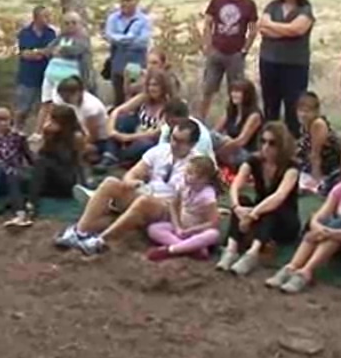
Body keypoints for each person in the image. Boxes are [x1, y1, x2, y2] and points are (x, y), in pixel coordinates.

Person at [55, 119, 201, 255]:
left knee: (144, 202)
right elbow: (132, 174)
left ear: (192, 144)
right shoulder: (161, 151)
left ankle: (99, 240)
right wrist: (132, 182)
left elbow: (189, 201)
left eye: (181, 141)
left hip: (168, 208)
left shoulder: (197, 164)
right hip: (147, 193)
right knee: (110, 183)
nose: (174, 144)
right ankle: (79, 232)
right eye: (173, 138)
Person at [266, 151, 341, 294]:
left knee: (339, 225)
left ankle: (306, 272)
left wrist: (330, 233)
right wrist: (319, 228)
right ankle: (291, 267)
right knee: (325, 225)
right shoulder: (340, 189)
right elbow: (319, 215)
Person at [216, 122, 301, 276]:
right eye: (263, 141)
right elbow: (236, 185)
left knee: (271, 207)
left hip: (284, 219)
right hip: (259, 213)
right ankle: (231, 248)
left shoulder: (291, 167)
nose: (266, 147)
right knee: (243, 200)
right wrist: (236, 207)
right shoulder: (254, 161)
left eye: (272, 143)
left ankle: (253, 253)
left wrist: (253, 214)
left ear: (282, 145)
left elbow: (279, 196)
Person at [5, 104, 86, 228]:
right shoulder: (50, 133)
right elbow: (40, 156)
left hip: (65, 181)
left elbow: (76, 163)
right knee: (13, 173)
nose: (50, 122)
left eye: (53, 120)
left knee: (42, 162)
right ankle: (20, 212)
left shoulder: (76, 137)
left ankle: (31, 207)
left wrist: (83, 186)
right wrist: (45, 136)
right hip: (47, 179)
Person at [258, 0, 315, 138]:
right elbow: (263, 27)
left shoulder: (305, 9)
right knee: (270, 103)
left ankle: (293, 141)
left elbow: (298, 29)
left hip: (294, 64)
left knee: (293, 105)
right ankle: (270, 139)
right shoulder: (272, 6)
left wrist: (275, 28)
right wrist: (286, 30)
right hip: (269, 61)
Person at [199, 0, 258, 121]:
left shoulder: (248, 4)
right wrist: (207, 46)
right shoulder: (217, 1)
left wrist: (245, 49)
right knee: (208, 89)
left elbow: (252, 29)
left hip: (235, 54)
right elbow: (207, 23)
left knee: (237, 92)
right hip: (216, 51)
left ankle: (233, 121)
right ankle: (200, 120)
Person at [146, 156, 222, 262]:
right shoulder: (183, 186)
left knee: (213, 235)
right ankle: (190, 248)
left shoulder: (207, 196)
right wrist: (177, 226)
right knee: (153, 229)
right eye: (186, 172)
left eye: (190, 173)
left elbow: (213, 223)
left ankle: (171, 249)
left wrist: (191, 230)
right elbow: (173, 205)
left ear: (203, 179)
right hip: (182, 228)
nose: (185, 176)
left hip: (197, 232)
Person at [99, 69, 172, 168]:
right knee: (121, 120)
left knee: (146, 144)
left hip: (149, 140)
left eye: (155, 85)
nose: (152, 88)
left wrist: (125, 137)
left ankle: (121, 158)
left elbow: (155, 133)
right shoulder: (144, 97)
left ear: (163, 87)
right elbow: (118, 110)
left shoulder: (169, 105)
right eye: (149, 85)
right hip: (136, 131)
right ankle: (110, 156)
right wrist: (111, 130)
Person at [38, 12, 91, 129]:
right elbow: (48, 50)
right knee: (46, 103)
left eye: (74, 23)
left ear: (80, 24)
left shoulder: (83, 38)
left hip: (67, 79)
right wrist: (53, 50)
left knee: (63, 106)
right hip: (51, 75)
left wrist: (61, 50)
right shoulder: (60, 37)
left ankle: (63, 130)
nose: (70, 26)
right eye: (67, 23)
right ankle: (39, 131)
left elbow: (77, 50)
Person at [104, 0, 152, 106]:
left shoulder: (143, 20)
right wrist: (130, 38)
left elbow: (143, 41)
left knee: (135, 95)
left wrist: (121, 39)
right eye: (123, 0)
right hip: (117, 64)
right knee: (119, 97)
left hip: (136, 64)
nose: (125, 3)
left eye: (129, 0)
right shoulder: (113, 18)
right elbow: (109, 36)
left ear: (136, 1)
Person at [15, 6, 56, 129]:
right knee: (23, 108)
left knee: (44, 107)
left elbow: (51, 50)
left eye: (49, 16)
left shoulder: (51, 33)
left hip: (45, 76)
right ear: (36, 18)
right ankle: (17, 130)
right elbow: (24, 53)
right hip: (27, 77)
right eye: (45, 16)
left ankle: (41, 133)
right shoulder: (25, 33)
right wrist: (39, 53)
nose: (48, 19)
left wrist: (37, 52)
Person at [52, 76, 108, 160]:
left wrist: (76, 146)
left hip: (99, 141)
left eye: (67, 98)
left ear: (78, 93)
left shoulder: (91, 108)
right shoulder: (69, 100)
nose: (64, 100)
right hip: (80, 132)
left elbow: (93, 136)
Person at [295, 92, 341, 192]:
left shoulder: (318, 124)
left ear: (316, 111)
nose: (303, 114)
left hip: (328, 168)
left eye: (307, 111)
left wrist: (316, 181)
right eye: (300, 110)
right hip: (311, 164)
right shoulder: (304, 125)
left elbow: (315, 155)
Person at [211, 79, 263, 169]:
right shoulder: (231, 111)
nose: (234, 95)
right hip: (229, 149)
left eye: (238, 92)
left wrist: (219, 151)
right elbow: (216, 131)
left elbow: (241, 141)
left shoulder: (254, 115)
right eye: (233, 91)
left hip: (246, 153)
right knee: (211, 136)